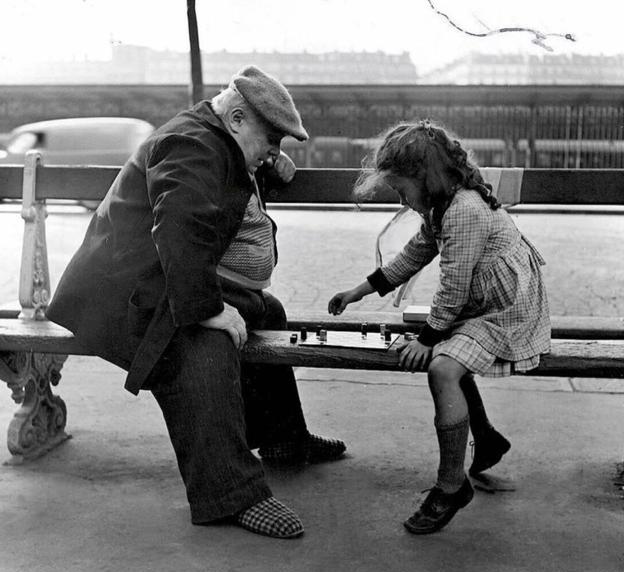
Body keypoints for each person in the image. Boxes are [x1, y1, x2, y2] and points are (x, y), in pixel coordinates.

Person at [46, 66, 346, 539]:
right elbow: (180, 232)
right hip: (124, 295)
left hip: (158, 278)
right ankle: (230, 493)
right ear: (238, 117)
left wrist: (265, 167)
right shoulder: (190, 145)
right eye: (273, 139)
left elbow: (219, 189)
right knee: (199, 348)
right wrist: (209, 310)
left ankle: (283, 439)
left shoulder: (217, 138)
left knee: (266, 312)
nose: (276, 149)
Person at [328, 120, 550, 534]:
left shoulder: (464, 211)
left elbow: (452, 288)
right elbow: (414, 255)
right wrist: (359, 290)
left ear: (423, 177)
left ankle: (451, 487)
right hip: (483, 302)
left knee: (443, 368)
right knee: (449, 353)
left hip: (507, 311)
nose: (400, 198)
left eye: (400, 189)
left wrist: (427, 338)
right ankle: (483, 438)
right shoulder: (439, 205)